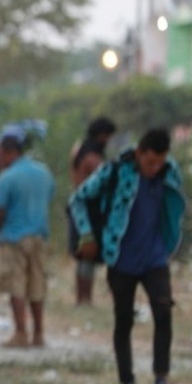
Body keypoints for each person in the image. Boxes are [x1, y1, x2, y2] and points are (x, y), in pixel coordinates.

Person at [68, 129, 185, 384]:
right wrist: (86, 234)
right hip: (120, 257)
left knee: (164, 313)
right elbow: (78, 198)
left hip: (155, 257)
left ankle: (162, 379)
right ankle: (127, 381)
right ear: (139, 153)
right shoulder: (116, 171)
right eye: (150, 162)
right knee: (124, 319)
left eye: (160, 162)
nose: (154, 168)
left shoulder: (169, 171)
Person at [0, 126, 55, 348]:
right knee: (37, 285)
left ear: (9, 151)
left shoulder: (7, 177)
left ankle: (21, 333)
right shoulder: (44, 172)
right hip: (40, 235)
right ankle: (39, 334)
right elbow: (49, 197)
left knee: (16, 286)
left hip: (14, 236)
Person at [67, 117, 117, 305]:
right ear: (102, 135)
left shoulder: (79, 149)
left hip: (79, 206)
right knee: (87, 254)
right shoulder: (93, 158)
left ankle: (83, 298)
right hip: (88, 211)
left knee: (84, 256)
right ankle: (84, 299)